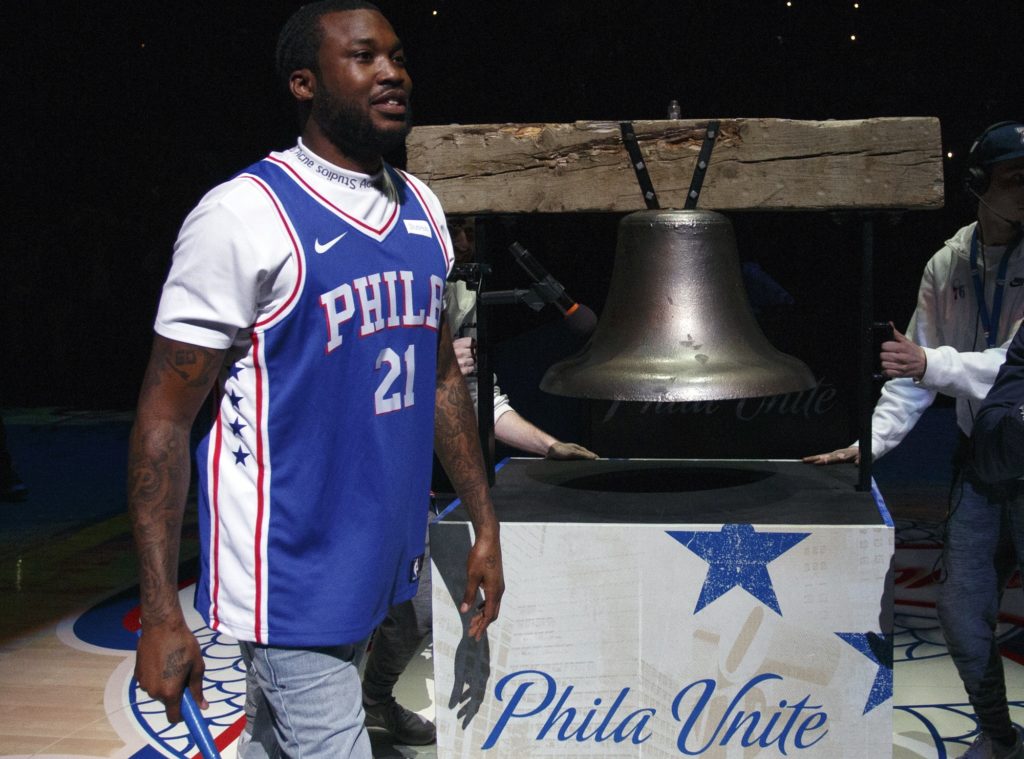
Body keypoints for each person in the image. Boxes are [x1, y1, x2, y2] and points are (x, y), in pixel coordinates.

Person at [127, 3, 504, 757]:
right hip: (291, 578)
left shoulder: (423, 208)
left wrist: (483, 518)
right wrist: (161, 608)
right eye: (364, 57)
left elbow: (436, 380)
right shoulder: (243, 216)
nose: (393, 72)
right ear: (304, 83)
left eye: (397, 56)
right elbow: (163, 422)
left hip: (384, 557)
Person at [805, 121, 1024, 758]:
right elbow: (910, 378)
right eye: (1015, 180)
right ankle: (998, 734)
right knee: (960, 611)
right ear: (979, 187)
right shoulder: (947, 263)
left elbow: (1011, 365)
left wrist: (931, 363)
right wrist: (866, 444)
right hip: (982, 466)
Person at [359, 216, 596, 745]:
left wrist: (549, 445)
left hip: (411, 484)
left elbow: (472, 401)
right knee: (354, 616)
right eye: (454, 228)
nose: (463, 242)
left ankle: (372, 702)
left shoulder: (464, 292)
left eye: (471, 230)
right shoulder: (386, 281)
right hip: (355, 477)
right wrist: (429, 365)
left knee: (416, 613)